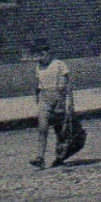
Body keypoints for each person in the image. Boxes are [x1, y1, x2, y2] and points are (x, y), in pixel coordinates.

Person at [30, 37, 73, 169]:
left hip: (58, 99)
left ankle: (60, 158)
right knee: (42, 129)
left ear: (48, 52)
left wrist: (69, 101)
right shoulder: (38, 67)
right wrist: (36, 97)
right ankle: (40, 158)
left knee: (60, 131)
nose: (41, 57)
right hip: (44, 99)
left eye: (43, 53)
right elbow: (38, 84)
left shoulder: (59, 64)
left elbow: (68, 84)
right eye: (38, 54)